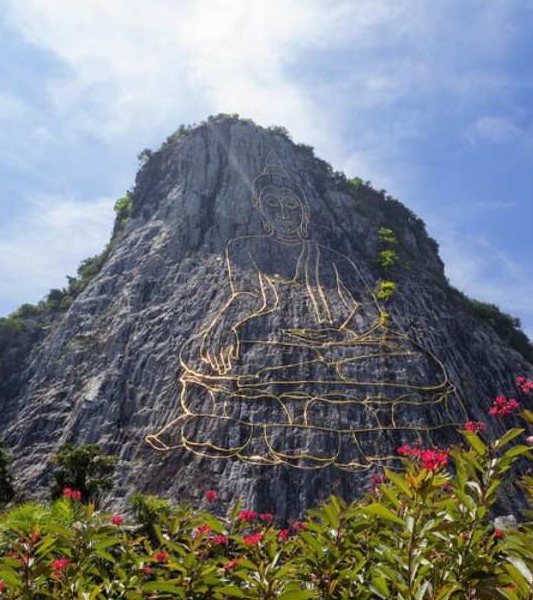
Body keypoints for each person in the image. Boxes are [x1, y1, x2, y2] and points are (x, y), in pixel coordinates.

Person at [147, 153, 463, 469]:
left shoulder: (333, 258)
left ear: (304, 212)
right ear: (260, 209)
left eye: (293, 207)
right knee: (250, 359)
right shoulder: (244, 247)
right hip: (280, 342)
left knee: (411, 361)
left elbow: (366, 309)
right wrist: (225, 324)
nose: (284, 214)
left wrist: (343, 333)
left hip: (341, 348)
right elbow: (246, 293)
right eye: (274, 206)